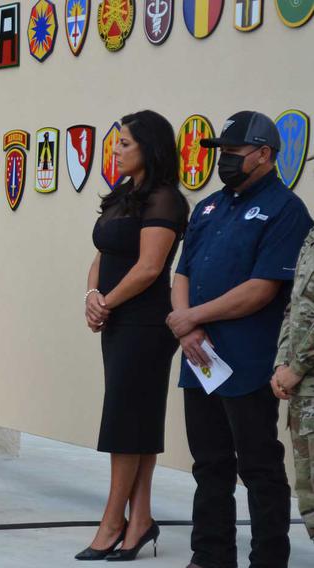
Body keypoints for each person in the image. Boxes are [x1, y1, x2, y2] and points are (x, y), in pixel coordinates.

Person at [166, 111, 313, 568]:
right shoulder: (209, 206)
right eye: (221, 153)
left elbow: (262, 288)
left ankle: (268, 558)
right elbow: (184, 269)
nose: (224, 161)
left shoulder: (286, 211)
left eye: (233, 153)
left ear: (264, 154)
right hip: (200, 358)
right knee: (209, 465)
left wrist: (191, 316)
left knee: (258, 467)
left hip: (248, 360)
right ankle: (210, 555)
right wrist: (187, 326)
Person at [78, 110, 189, 561]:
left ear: (150, 147)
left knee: (125, 422)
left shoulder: (165, 199)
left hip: (145, 322)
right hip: (119, 319)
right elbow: (103, 254)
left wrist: (107, 302)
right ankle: (139, 520)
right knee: (135, 422)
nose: (117, 150)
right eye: (117, 143)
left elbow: (149, 268)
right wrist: (91, 292)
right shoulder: (123, 195)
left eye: (124, 143)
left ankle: (112, 523)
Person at [272, 226, 314, 544]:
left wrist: (296, 367)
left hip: (305, 377)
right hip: (302, 391)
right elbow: (295, 305)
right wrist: (282, 363)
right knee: (309, 494)